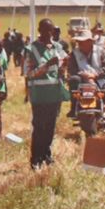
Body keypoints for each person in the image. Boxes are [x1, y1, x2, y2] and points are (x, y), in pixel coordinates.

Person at [23, 18, 67, 169]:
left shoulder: (57, 47)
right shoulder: (31, 49)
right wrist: (46, 65)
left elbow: (62, 66)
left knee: (50, 127)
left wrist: (64, 66)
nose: (49, 33)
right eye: (46, 30)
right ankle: (36, 158)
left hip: (54, 94)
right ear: (40, 31)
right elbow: (28, 73)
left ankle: (46, 155)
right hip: (39, 95)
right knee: (39, 127)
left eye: (51, 30)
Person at [67, 25, 105, 134]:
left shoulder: (101, 51)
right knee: (73, 81)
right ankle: (74, 109)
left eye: (83, 41)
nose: (80, 44)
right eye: (79, 41)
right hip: (83, 83)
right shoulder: (73, 54)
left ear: (90, 41)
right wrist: (84, 75)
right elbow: (71, 70)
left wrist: (95, 75)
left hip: (100, 82)